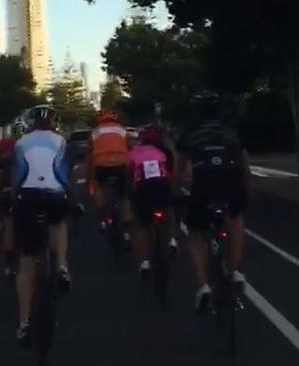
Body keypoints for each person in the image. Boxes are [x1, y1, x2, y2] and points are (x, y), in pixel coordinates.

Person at [175, 91, 250, 311]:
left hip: (202, 188)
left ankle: (203, 286)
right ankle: (235, 270)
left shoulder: (188, 134)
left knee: (197, 234)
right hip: (231, 184)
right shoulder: (230, 132)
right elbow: (244, 166)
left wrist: (181, 189)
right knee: (235, 219)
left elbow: (178, 172)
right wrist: (245, 192)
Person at [12, 105, 73, 346]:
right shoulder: (60, 141)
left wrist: (14, 203)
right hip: (55, 195)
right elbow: (63, 172)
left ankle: (25, 323)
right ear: (53, 123)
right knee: (58, 223)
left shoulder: (20, 144)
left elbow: (18, 175)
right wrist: (70, 196)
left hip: (28, 197)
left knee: (26, 262)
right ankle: (61, 266)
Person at [129, 125, 173, 276]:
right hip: (161, 187)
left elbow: (128, 175)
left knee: (141, 223)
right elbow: (170, 174)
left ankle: (144, 261)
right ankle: (172, 239)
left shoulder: (133, 152)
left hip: (143, 189)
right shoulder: (164, 152)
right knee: (168, 209)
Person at [87, 110, 132, 242]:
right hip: (121, 164)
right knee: (124, 195)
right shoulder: (122, 131)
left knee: (98, 187)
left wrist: (89, 176)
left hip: (101, 165)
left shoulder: (95, 132)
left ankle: (103, 218)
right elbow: (129, 148)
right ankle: (127, 228)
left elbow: (89, 154)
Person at [0, 117, 28, 278]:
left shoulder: (6, 144)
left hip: (6, 189)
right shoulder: (28, 145)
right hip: (25, 190)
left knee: (8, 225)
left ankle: (9, 264)